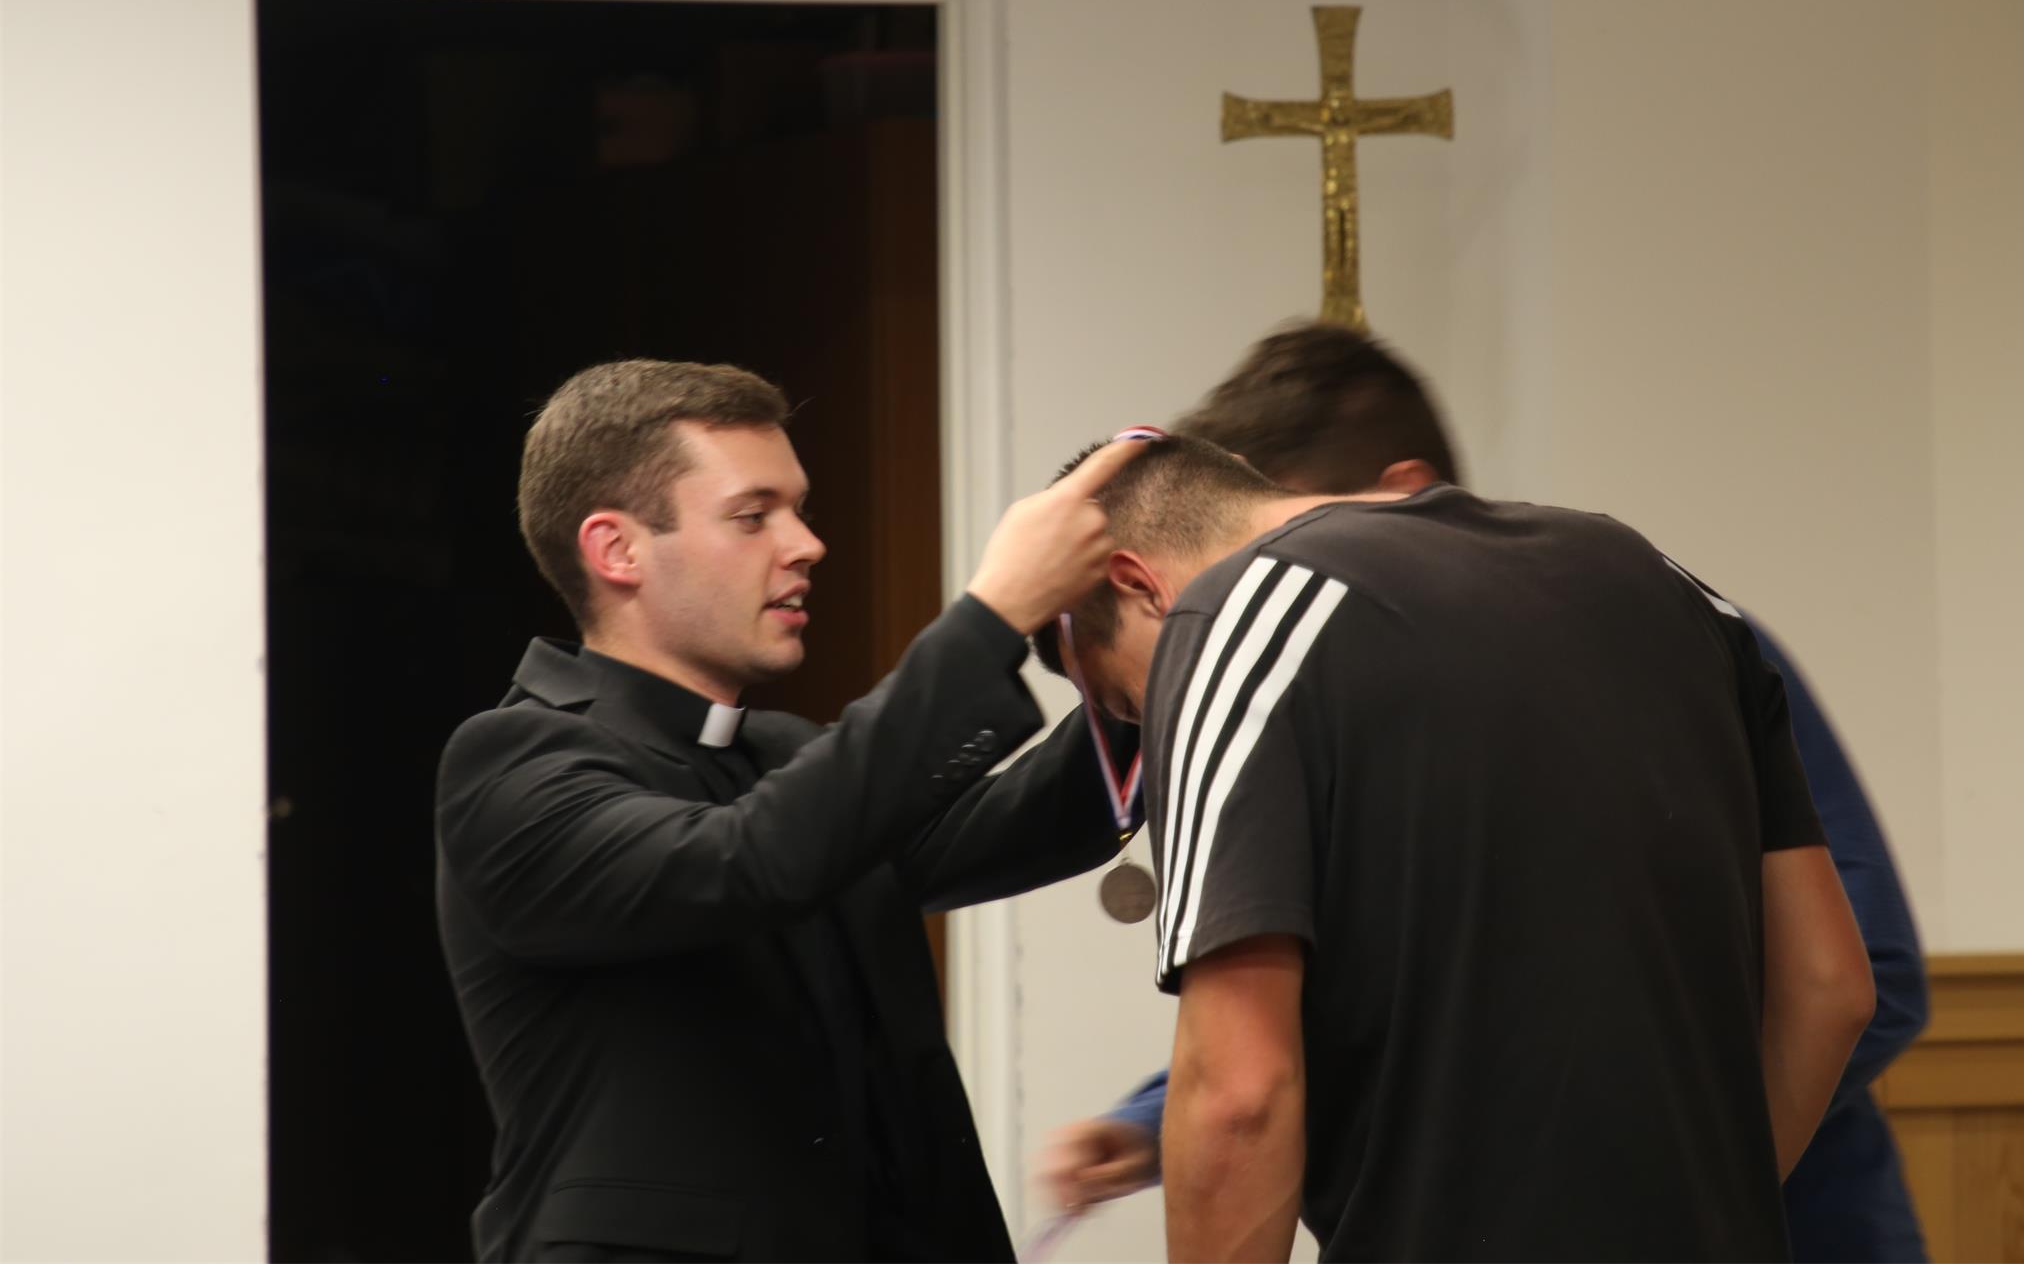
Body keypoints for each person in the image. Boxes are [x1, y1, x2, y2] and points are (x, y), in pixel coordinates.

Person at [1040, 325, 1929, 1262]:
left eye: (1126, 702)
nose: (1150, 731)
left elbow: (1240, 1095)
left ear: (1138, 584)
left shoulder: (1229, 621)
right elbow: (1832, 986)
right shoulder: (1674, 590)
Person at [436, 359, 1146, 1263]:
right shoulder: (512, 761)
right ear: (616, 550)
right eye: (753, 515)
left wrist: (1159, 658)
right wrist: (992, 615)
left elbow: (1017, 822)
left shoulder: (781, 754)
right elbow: (745, 861)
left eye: (799, 510)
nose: (807, 544)